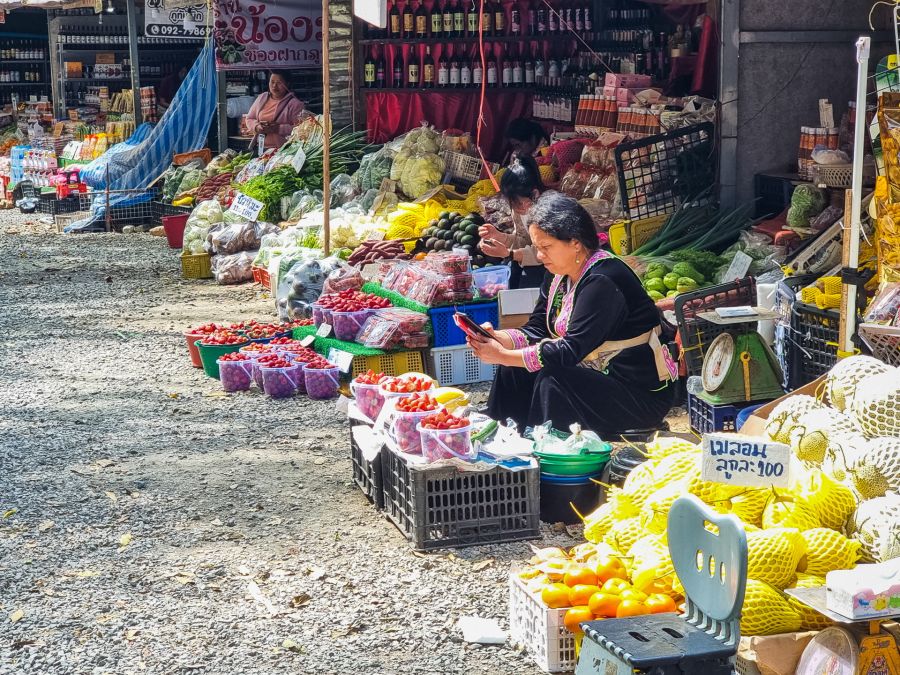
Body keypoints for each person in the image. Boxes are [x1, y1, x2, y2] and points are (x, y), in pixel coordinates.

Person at [468, 191, 677, 437]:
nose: (539, 255)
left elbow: (569, 350)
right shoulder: (558, 273)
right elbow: (537, 328)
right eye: (536, 247)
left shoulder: (604, 280)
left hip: (637, 394)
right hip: (595, 375)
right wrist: (499, 339)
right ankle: (501, 439)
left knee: (552, 378)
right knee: (514, 369)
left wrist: (504, 355)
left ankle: (544, 450)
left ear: (575, 242)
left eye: (546, 247)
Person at [478, 154, 546, 289]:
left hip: (552, 265)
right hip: (537, 260)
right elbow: (523, 240)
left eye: (518, 203)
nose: (516, 208)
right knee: (513, 268)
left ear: (535, 194)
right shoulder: (518, 211)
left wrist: (510, 254)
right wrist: (499, 237)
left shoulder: (546, 212)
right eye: (511, 203)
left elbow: (543, 252)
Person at [244, 71, 305, 151]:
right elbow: (249, 118)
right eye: (272, 82)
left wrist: (278, 128)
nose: (274, 86)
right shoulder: (262, 97)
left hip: (283, 150)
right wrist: (257, 127)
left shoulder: (295, 104)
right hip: (261, 148)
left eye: (279, 83)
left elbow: (301, 129)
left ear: (287, 84)